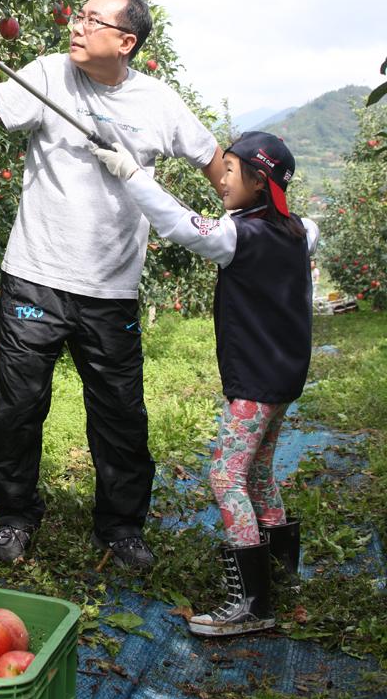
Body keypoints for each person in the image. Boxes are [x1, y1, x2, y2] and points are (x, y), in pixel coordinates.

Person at [0, 0, 223, 570]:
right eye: (78, 15)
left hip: (112, 290)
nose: (77, 25)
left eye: (93, 20)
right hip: (35, 276)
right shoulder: (49, 73)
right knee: (14, 408)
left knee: (120, 415)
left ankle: (120, 527)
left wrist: (238, 228)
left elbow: (216, 162)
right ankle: (15, 516)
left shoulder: (159, 104)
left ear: (126, 41)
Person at [91, 130, 318, 636]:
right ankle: (283, 576)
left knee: (225, 475)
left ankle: (252, 604)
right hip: (282, 380)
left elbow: (180, 225)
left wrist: (132, 173)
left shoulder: (241, 236)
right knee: (257, 472)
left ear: (260, 182)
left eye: (231, 170)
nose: (222, 177)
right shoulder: (300, 231)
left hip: (255, 382)